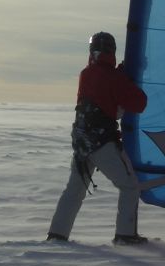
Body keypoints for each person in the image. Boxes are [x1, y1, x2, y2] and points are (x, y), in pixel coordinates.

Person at [48, 32, 148, 245]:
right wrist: (129, 76)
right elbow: (138, 103)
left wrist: (121, 75)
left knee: (74, 190)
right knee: (129, 185)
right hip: (103, 143)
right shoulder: (113, 78)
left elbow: (103, 91)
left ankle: (57, 234)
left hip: (83, 142)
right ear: (112, 51)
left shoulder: (86, 74)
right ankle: (125, 235)